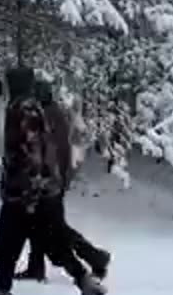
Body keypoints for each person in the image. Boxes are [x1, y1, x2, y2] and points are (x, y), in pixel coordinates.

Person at [0, 71, 106, 295]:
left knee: (7, 243)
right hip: (42, 191)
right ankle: (85, 281)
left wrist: (29, 193)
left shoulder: (21, 110)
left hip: (25, 194)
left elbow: (31, 155)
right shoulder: (37, 109)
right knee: (52, 242)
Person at [15, 80, 111, 283]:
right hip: (52, 181)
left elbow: (53, 153)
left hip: (50, 183)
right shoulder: (50, 114)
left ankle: (95, 257)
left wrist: (47, 179)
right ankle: (36, 267)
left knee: (55, 229)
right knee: (39, 226)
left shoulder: (49, 116)